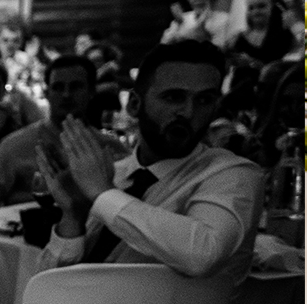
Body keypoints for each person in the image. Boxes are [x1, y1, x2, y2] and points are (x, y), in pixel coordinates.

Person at [34, 41, 262, 294]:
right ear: (134, 104)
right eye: (174, 97)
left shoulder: (233, 174)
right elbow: (49, 286)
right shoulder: (114, 174)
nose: (188, 112)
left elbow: (203, 254)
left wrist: (103, 195)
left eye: (204, 100)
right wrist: (73, 216)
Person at [0, 56, 104, 216]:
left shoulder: (110, 147)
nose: (66, 94)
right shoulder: (16, 145)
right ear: (47, 93)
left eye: (75, 87)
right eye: (58, 87)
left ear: (92, 91)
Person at [163, 0, 235, 49]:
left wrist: (200, 34)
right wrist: (179, 26)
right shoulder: (181, 19)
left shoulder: (223, 19)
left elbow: (220, 49)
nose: (199, 1)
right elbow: (165, 45)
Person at [228, 0, 290, 65]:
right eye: (251, 8)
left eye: (261, 6)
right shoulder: (238, 38)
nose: (255, 12)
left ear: (275, 8)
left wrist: (253, 63)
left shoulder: (285, 36)